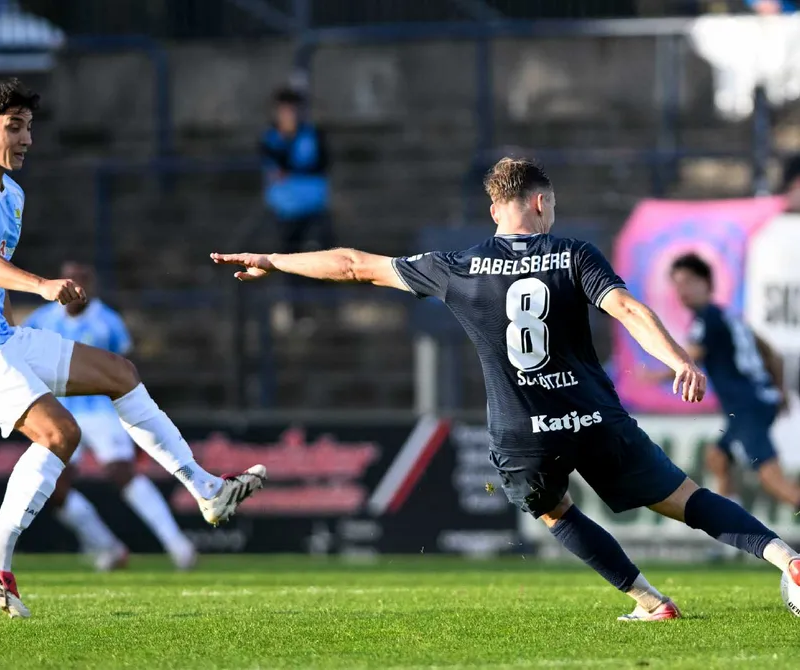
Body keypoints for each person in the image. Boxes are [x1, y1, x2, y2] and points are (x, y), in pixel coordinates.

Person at [213, 157, 800, 621]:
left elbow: (352, 264)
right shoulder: (573, 254)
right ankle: (787, 558)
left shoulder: (458, 266)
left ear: (495, 209)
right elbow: (626, 308)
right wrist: (676, 360)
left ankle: (650, 601)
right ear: (539, 202)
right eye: (551, 206)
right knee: (686, 500)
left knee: (552, 511)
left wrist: (273, 260)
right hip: (594, 418)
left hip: (523, 431)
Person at [0, 78, 265, 619]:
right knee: (61, 434)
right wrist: (41, 286)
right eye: (16, 127)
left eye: (29, 127)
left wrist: (14, 327)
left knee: (119, 373)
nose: (27, 139)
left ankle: (206, 489)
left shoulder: (12, 193)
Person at [22, 262, 197, 571]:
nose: (77, 286)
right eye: (71, 280)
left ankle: (177, 545)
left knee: (121, 473)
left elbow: (126, 370)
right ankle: (109, 548)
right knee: (55, 489)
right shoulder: (41, 319)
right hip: (59, 412)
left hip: (101, 410)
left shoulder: (108, 322)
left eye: (84, 280)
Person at [657, 253, 800, 513]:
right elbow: (772, 354)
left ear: (706, 283)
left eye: (688, 281)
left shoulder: (707, 319)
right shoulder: (727, 317)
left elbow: (690, 358)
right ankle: (733, 527)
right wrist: (779, 391)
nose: (682, 290)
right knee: (718, 457)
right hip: (756, 401)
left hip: (747, 406)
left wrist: (653, 376)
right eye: (677, 284)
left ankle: (734, 524)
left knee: (771, 478)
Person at [259, 87, 332, 328]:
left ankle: (322, 309)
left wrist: (292, 170)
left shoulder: (313, 135)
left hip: (313, 209)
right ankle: (296, 311)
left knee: (320, 255)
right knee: (288, 263)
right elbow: (278, 165)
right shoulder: (270, 139)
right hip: (284, 212)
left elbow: (319, 165)